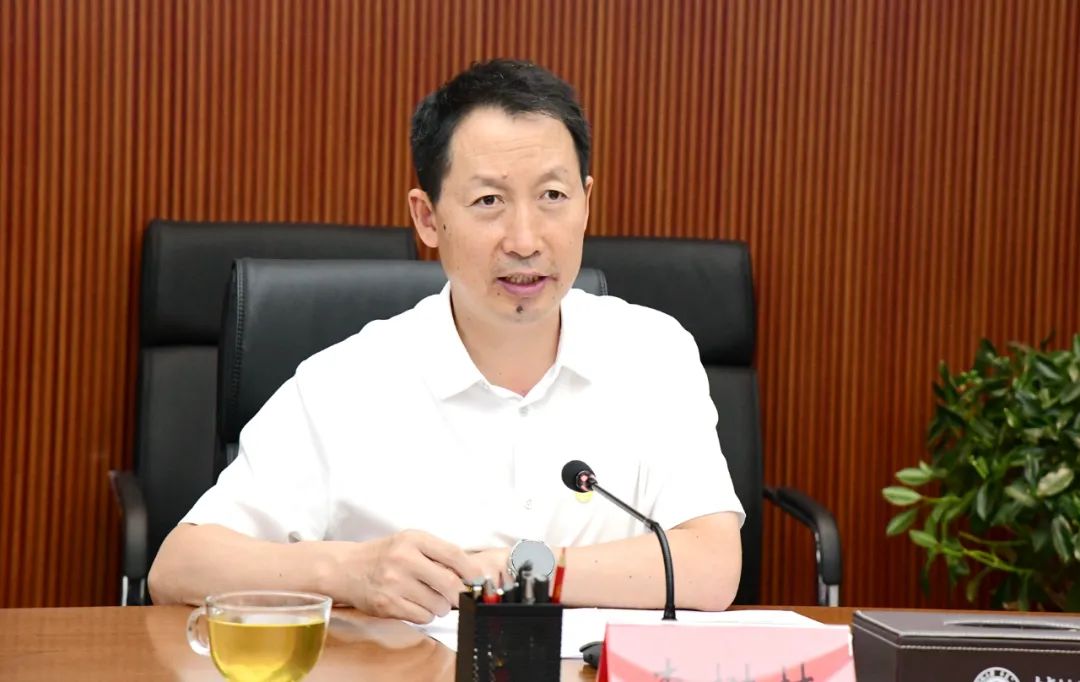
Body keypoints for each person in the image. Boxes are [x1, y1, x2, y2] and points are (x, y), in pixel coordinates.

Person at [149, 58, 744, 623]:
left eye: (553, 196)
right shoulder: (347, 382)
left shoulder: (652, 352)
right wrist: (350, 572)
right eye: (489, 201)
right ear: (428, 219)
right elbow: (178, 567)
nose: (525, 239)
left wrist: (511, 571)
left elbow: (711, 567)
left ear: (587, 202)